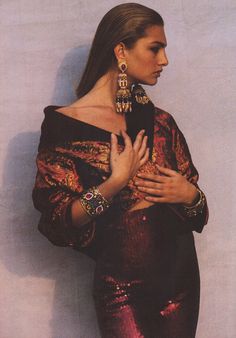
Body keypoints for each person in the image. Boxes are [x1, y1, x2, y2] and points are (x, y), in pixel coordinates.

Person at [32, 3, 209, 337]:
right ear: (120, 50)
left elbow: (198, 215)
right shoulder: (63, 127)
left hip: (181, 282)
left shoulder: (161, 122)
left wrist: (191, 196)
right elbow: (56, 222)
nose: (164, 61)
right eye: (155, 48)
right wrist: (113, 184)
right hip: (122, 288)